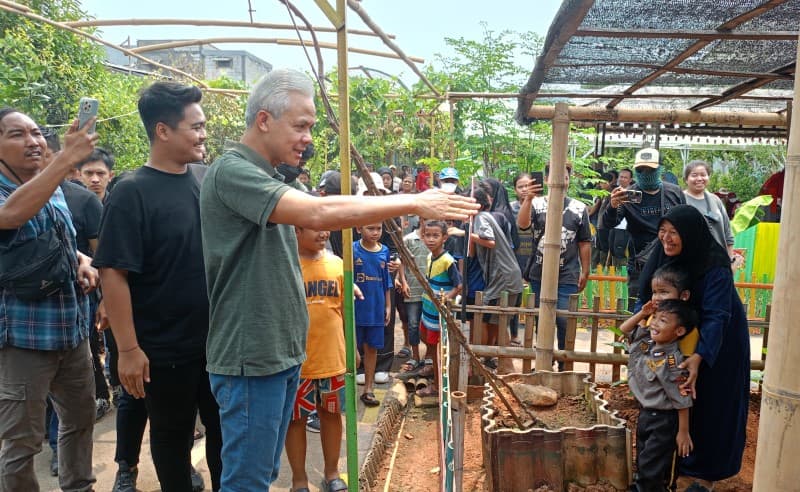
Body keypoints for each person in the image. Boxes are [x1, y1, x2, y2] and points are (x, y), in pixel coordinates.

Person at [199, 68, 478, 489]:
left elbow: (320, 211)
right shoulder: (232, 171)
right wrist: (415, 202)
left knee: (261, 473)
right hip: (252, 356)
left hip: (278, 353)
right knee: (248, 481)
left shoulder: (268, 176)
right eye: (301, 126)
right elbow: (317, 213)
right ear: (264, 120)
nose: (308, 137)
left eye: (310, 126)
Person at [93, 82, 222, 492]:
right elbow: (113, 273)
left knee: (222, 432)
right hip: (163, 349)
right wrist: (129, 350)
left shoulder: (203, 178)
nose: (203, 135)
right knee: (171, 437)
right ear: (163, 130)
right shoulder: (131, 191)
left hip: (215, 343)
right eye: (195, 127)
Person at [0, 108, 98, 491]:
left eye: (37, 133)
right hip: (22, 341)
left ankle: (79, 487)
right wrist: (64, 160)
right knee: (22, 441)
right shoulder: (20, 191)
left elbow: (57, 241)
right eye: (17, 134)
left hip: (71, 332)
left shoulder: (51, 187)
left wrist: (81, 260)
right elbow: (11, 216)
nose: (33, 142)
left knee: (80, 421)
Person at [637, 205, 750, 491]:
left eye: (674, 232)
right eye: (662, 231)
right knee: (677, 398)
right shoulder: (662, 256)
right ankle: (677, 468)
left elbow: (717, 315)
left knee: (711, 403)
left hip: (718, 343)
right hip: (677, 337)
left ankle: (706, 477)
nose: (667, 238)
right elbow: (646, 295)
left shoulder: (714, 265)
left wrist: (701, 355)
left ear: (690, 233)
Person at [40, 129, 108, 477]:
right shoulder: (12, 196)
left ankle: (69, 465)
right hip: (23, 325)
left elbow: (101, 256)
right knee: (22, 428)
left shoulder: (77, 200)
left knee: (76, 406)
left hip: (75, 314)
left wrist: (104, 297)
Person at [284, 226, 354, 492]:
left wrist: (352, 348)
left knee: (331, 415)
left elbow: (345, 311)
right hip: (296, 361)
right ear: (297, 230)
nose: (324, 233)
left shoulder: (337, 265)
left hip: (332, 358)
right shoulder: (286, 266)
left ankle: (332, 473)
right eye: (316, 228)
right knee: (295, 420)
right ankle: (299, 480)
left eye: (326, 227)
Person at [517, 164, 591, 370]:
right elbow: (522, 225)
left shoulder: (579, 208)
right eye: (556, 176)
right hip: (540, 272)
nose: (561, 180)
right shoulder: (536, 203)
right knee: (542, 319)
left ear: (568, 180)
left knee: (564, 319)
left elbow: (584, 242)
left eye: (565, 177)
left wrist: (586, 270)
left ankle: (564, 364)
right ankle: (544, 362)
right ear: (546, 179)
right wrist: (528, 199)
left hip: (567, 272)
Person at [621, 299, 697, 492]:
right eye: (654, 318)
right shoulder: (647, 345)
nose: (654, 323)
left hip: (665, 421)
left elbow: (682, 398)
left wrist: (683, 431)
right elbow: (625, 329)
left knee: (654, 469)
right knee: (643, 461)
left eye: (662, 320)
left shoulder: (672, 362)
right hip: (646, 415)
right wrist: (643, 314)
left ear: (679, 331)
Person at [604, 149, 685, 309]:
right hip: (640, 266)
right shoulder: (627, 195)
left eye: (650, 169)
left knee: (670, 313)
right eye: (641, 169)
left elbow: (685, 224)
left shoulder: (674, 192)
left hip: (671, 265)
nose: (645, 173)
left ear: (660, 169)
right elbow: (608, 224)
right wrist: (612, 206)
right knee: (637, 312)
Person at [471, 183, 524, 364]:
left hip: (503, 277)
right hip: (509, 275)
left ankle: (482, 358)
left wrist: (465, 234)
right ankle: (488, 358)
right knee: (496, 320)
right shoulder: (487, 216)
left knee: (485, 317)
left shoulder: (481, 217)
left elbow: (490, 241)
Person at [418, 220, 462, 397]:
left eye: (435, 236)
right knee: (427, 341)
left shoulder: (447, 261)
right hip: (428, 310)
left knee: (438, 350)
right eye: (427, 235)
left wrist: (445, 299)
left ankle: (437, 386)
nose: (431, 239)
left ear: (444, 238)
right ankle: (433, 371)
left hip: (438, 314)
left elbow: (459, 286)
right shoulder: (430, 257)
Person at [353, 222, 393, 407]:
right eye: (370, 228)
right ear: (359, 229)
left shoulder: (384, 251)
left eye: (379, 228)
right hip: (356, 308)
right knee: (352, 349)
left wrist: (388, 306)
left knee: (372, 348)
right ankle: (345, 390)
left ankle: (368, 389)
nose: (375, 232)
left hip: (376, 308)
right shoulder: (352, 250)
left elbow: (386, 281)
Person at [682, 160, 735, 256]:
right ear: (686, 179)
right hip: (691, 259)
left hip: (719, 259)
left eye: (703, 175)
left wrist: (730, 258)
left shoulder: (715, 200)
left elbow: (727, 232)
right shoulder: (680, 200)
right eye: (694, 175)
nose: (699, 178)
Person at [397, 217, 427, 371]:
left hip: (431, 290)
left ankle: (429, 356)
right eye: (426, 219)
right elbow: (402, 262)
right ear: (421, 219)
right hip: (413, 288)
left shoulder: (436, 239)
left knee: (430, 325)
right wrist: (403, 281)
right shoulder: (408, 239)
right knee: (413, 323)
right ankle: (415, 356)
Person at [608, 168, 633, 269]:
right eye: (621, 177)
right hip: (613, 225)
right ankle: (614, 272)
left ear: (630, 180)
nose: (622, 179)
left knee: (620, 251)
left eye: (625, 177)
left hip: (624, 227)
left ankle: (622, 273)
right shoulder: (615, 191)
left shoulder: (632, 193)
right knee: (612, 249)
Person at [588, 172, 614, 269]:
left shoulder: (611, 194)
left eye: (603, 182)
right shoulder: (602, 194)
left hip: (606, 225)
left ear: (610, 182)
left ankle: (604, 267)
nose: (601, 184)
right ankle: (598, 267)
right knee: (599, 246)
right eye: (600, 182)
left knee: (605, 247)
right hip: (600, 224)